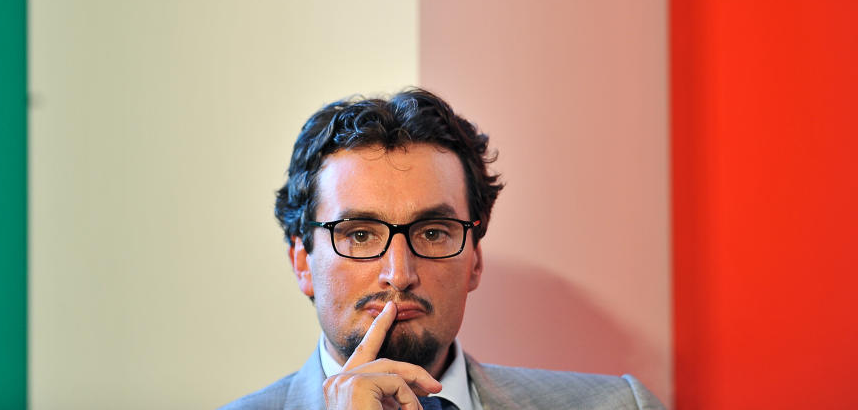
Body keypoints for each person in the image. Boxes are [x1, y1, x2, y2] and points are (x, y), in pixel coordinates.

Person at [220, 88, 664, 410]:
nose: (399, 273)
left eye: (433, 233)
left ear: (475, 260)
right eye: (359, 234)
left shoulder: (623, 405)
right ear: (302, 261)